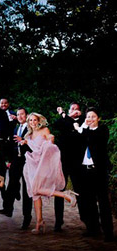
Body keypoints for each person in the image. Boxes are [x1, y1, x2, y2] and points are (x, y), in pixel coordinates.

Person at [19, 113, 77, 234]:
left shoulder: (44, 130)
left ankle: (65, 195)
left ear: (39, 121)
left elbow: (50, 138)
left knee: (36, 189)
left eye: (35, 120)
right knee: (35, 193)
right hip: (32, 164)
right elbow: (30, 144)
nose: (33, 122)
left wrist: (50, 139)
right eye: (30, 120)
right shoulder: (29, 134)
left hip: (42, 163)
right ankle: (39, 222)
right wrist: (25, 142)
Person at [73, 108, 114, 241]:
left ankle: (108, 233)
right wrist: (82, 128)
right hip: (85, 170)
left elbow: (94, 141)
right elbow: (78, 143)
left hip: (99, 171)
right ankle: (93, 229)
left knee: (103, 203)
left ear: (98, 118)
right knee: (88, 201)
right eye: (88, 116)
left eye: (93, 116)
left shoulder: (102, 130)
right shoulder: (84, 132)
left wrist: (83, 128)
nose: (90, 119)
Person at [0, 108, 33, 230]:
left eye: (22, 114)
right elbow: (12, 145)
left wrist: (25, 142)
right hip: (16, 160)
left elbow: (36, 144)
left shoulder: (31, 128)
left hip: (28, 160)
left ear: (26, 115)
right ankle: (8, 209)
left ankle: (27, 217)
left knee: (27, 191)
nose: (20, 116)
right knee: (11, 184)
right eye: (18, 114)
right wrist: (10, 160)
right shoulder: (16, 128)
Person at [52, 103, 84, 231]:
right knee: (59, 190)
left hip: (78, 163)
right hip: (63, 162)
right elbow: (56, 125)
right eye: (72, 109)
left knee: (80, 191)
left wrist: (66, 115)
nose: (75, 111)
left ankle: (85, 218)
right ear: (69, 110)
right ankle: (58, 222)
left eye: (77, 109)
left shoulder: (84, 121)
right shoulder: (63, 121)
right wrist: (66, 116)